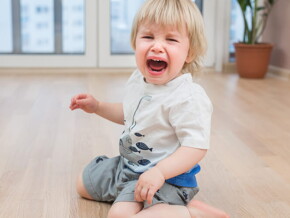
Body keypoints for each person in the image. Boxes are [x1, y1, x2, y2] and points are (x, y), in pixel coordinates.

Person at [70, 0, 229, 217]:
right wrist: (97, 107)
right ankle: (143, 198)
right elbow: (131, 114)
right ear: (135, 42)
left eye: (171, 39)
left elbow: (196, 147)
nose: (157, 46)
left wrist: (160, 172)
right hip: (129, 167)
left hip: (168, 180)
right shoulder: (139, 79)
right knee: (82, 184)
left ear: (189, 52)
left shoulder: (187, 97)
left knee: (119, 215)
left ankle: (188, 213)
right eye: (148, 37)